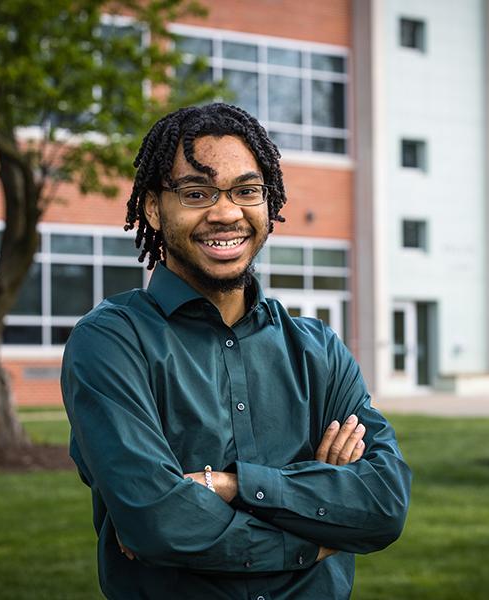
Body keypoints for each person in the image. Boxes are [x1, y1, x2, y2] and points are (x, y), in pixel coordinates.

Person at [61, 103, 411, 599]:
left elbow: (383, 502)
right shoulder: (112, 343)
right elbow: (159, 522)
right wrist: (315, 532)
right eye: (196, 193)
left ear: (268, 204)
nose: (226, 213)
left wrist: (232, 487)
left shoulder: (319, 351)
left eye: (246, 191)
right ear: (154, 209)